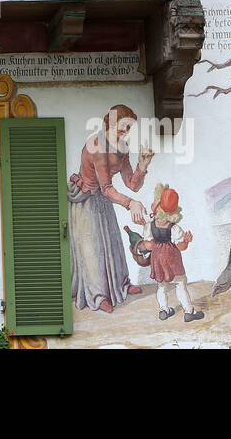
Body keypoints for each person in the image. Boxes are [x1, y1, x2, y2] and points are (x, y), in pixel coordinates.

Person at [69, 104, 154, 312]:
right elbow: (106, 187)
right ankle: (98, 296)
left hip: (104, 199)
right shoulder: (96, 144)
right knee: (94, 248)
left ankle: (121, 285)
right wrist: (130, 203)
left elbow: (132, 183)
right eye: (123, 126)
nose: (126, 132)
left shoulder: (122, 148)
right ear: (112, 121)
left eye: (129, 128)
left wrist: (142, 166)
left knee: (114, 242)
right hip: (86, 199)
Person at [143, 184, 203, 322]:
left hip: (158, 258)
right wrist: (187, 240)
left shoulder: (149, 226)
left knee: (161, 286)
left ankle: (164, 310)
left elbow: (149, 245)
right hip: (172, 259)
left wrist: (154, 247)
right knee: (180, 283)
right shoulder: (175, 228)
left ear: (157, 206)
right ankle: (189, 312)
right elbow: (181, 247)